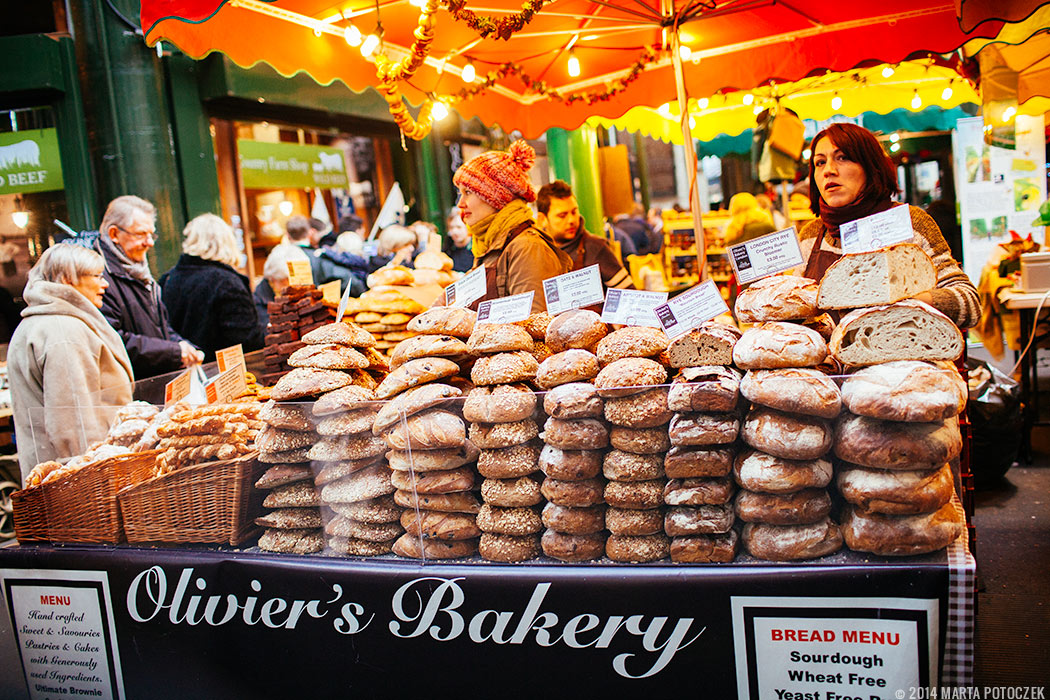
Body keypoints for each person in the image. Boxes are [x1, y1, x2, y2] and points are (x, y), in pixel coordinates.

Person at [800, 123, 979, 328]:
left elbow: (969, 303)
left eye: (843, 157)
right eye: (820, 162)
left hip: (904, 357)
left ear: (870, 166)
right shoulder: (810, 235)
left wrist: (908, 305)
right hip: (828, 359)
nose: (829, 171)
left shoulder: (911, 223)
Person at [9, 243, 134, 479]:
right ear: (68, 279)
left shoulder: (51, 323)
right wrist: (91, 478)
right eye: (97, 276)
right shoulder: (63, 331)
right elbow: (74, 425)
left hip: (67, 477)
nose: (104, 284)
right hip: (80, 483)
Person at [452, 140, 572, 313]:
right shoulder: (488, 245)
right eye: (460, 194)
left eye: (468, 193)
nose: (461, 204)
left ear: (495, 196)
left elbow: (531, 328)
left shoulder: (527, 248)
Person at [93, 195, 202, 378]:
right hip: (131, 390)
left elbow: (161, 328)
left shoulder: (140, 271)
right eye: (141, 234)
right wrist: (174, 351)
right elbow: (113, 340)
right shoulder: (97, 277)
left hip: (157, 383)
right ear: (114, 234)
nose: (149, 242)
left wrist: (185, 347)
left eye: (151, 234)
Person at [160, 214, 264, 361]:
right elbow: (247, 341)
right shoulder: (228, 283)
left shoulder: (168, 279)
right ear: (227, 242)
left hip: (182, 374)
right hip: (221, 375)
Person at [536, 180, 634, 292]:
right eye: (562, 216)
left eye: (574, 212)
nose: (572, 220)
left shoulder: (596, 248)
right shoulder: (537, 254)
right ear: (542, 219)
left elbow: (628, 294)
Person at [286, 215, 364, 296]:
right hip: (315, 304)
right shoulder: (317, 256)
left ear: (287, 235)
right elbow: (347, 278)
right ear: (310, 232)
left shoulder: (277, 257)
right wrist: (360, 289)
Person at [254, 244, 310, 331]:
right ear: (273, 279)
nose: (295, 285)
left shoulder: (305, 290)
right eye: (287, 280)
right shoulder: (258, 303)